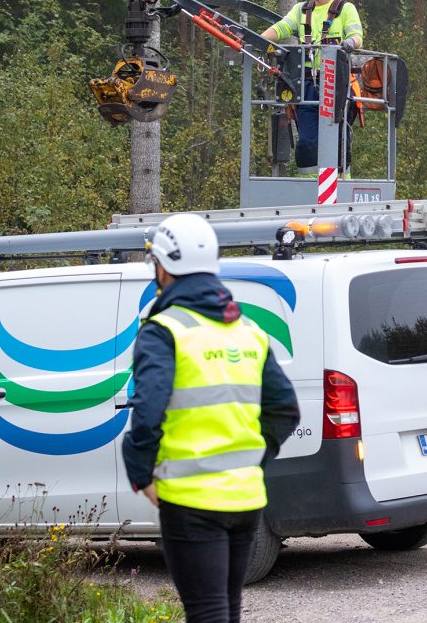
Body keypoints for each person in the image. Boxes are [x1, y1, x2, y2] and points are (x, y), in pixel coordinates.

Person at [122, 213, 300, 623]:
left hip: (191, 501)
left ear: (163, 267)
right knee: (226, 609)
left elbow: (147, 414)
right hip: (246, 499)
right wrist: (254, 460)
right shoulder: (248, 331)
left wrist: (142, 475)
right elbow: (286, 410)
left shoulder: (164, 330)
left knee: (206, 612)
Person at [261, 0, 364, 177]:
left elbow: (357, 36)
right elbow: (280, 28)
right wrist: (259, 40)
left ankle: (341, 183)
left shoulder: (345, 9)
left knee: (338, 139)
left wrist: (349, 44)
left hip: (336, 83)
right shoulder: (301, 10)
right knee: (307, 142)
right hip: (307, 84)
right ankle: (309, 185)